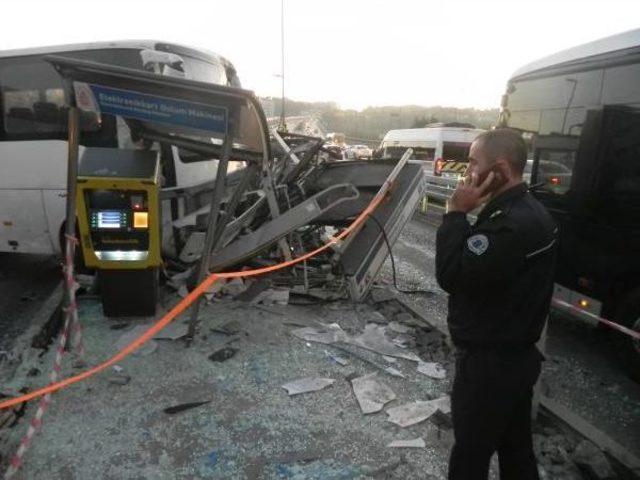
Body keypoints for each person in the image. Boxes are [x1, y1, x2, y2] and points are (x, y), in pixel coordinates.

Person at [435, 129, 557, 480]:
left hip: (490, 367)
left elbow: (451, 274)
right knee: (516, 449)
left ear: (499, 170)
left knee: (470, 456)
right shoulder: (528, 210)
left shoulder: (510, 226)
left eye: (473, 163)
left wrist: (456, 213)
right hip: (514, 359)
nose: (468, 172)